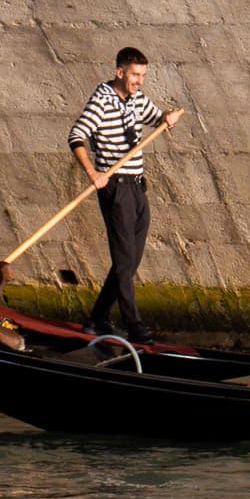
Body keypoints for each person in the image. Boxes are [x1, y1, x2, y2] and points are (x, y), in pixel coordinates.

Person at [68, 47, 184, 345]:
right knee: (123, 260)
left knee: (130, 259)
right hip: (115, 188)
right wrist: (94, 173)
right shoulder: (102, 101)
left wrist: (167, 118)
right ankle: (134, 325)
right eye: (135, 75)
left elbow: (156, 117)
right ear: (120, 72)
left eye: (143, 75)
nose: (140, 81)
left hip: (137, 186)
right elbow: (76, 136)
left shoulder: (136, 98)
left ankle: (97, 318)